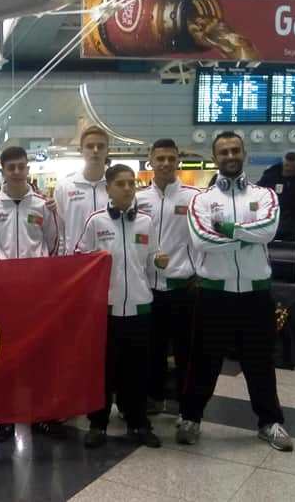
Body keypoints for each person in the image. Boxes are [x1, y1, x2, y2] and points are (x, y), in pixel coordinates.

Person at [180, 131, 293, 452]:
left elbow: (269, 230)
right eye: (223, 152)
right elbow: (202, 240)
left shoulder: (265, 195)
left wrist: (228, 229)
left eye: (235, 150)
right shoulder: (201, 200)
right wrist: (248, 235)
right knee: (204, 360)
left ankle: (270, 422)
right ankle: (190, 417)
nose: (230, 156)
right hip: (215, 293)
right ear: (214, 158)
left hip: (256, 294)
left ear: (244, 153)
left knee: (260, 362)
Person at [74, 164, 165, 449]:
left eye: (131, 183)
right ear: (108, 188)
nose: (127, 188)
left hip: (140, 309)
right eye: (121, 184)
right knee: (104, 369)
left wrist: (160, 261)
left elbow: (151, 259)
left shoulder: (146, 223)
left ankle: (138, 422)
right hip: (107, 311)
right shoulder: (96, 222)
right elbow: (80, 258)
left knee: (137, 370)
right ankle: (97, 423)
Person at [0, 145, 60, 442]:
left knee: (38, 354)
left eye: (20, 166)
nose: (16, 171)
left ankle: (39, 413)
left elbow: (53, 244)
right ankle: (3, 418)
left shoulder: (43, 206)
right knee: (2, 355)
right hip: (3, 291)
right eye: (10, 167)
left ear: (28, 168)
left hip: (36, 292)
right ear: (2, 170)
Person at [136, 139, 200, 414]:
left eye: (170, 159)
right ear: (150, 160)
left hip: (183, 286)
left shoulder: (194, 197)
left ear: (178, 161)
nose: (164, 163)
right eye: (159, 158)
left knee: (186, 351)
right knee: (153, 350)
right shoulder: (138, 199)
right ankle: (154, 397)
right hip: (149, 288)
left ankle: (187, 404)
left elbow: (202, 239)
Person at [54, 125, 111, 256]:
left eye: (100, 146)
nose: (95, 150)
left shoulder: (117, 185)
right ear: (81, 150)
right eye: (90, 146)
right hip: (76, 263)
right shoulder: (65, 186)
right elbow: (60, 231)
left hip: (111, 262)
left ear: (108, 150)